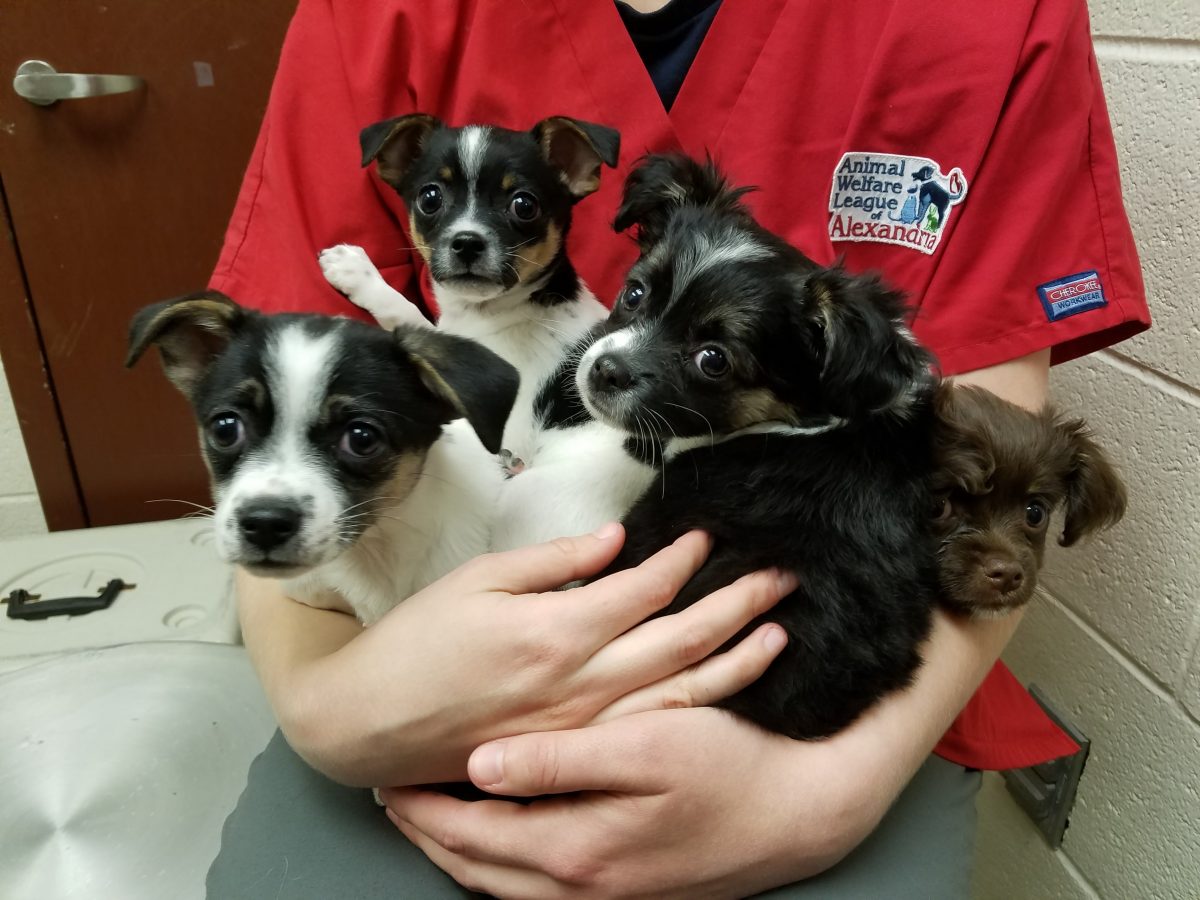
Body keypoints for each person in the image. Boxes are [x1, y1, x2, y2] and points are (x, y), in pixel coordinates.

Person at [205, 0, 1150, 896]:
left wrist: (818, 793)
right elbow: (281, 426)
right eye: (639, 297)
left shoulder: (991, 22)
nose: (613, 359)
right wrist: (336, 711)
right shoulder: (370, 20)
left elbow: (992, 465)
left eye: (708, 354)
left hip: (834, 683)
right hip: (409, 657)